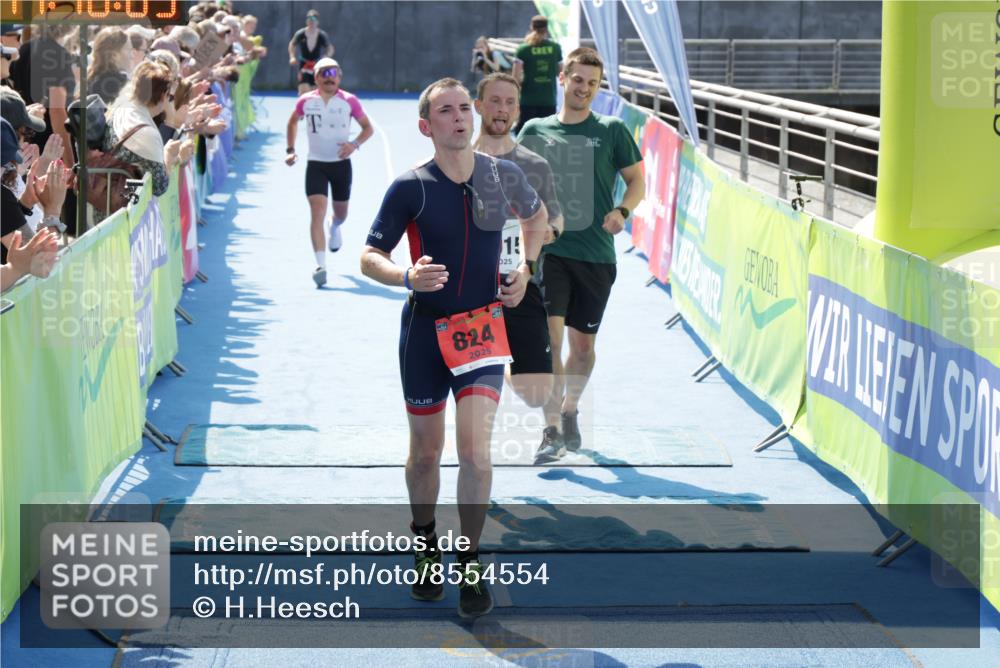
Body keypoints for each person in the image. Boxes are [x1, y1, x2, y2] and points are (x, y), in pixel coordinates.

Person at [360, 78, 547, 618]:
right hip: (424, 333)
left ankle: (468, 560)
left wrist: (523, 269)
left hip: (484, 331)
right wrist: (404, 276)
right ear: (427, 126)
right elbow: (369, 255)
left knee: (474, 453)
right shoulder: (410, 187)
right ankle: (424, 540)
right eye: (447, 110)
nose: (461, 117)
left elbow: (535, 219)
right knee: (424, 455)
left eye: (466, 107)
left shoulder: (503, 174)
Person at [518, 47, 645, 462]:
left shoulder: (611, 130)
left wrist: (623, 210)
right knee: (551, 343)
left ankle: (571, 408)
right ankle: (551, 428)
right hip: (550, 252)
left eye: (593, 83)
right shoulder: (535, 129)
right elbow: (512, 178)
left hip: (596, 255)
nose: (585, 89)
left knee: (583, 348)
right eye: (578, 80)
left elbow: (637, 182)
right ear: (562, 78)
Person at [472, 72, 566, 460]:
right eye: (495, 101)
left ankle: (548, 421)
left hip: (521, 283)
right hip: (469, 290)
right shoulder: (457, 159)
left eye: (510, 103)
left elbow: (556, 218)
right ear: (478, 106)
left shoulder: (533, 164)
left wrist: (547, 234)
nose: (503, 110)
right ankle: (480, 456)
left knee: (536, 390)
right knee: (475, 382)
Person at [285, 58, 372, 288]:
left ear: (339, 77)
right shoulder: (306, 101)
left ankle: (335, 226)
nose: (329, 76)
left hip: (341, 165)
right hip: (316, 165)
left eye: (333, 72)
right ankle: (321, 265)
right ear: (316, 78)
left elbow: (368, 128)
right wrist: (291, 150)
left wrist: (353, 145)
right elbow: (292, 122)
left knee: (340, 214)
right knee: (317, 212)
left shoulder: (349, 101)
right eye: (323, 73)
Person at [512, 15, 562, 135]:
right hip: (548, 99)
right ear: (546, 29)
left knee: (524, 135)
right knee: (546, 136)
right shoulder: (555, 48)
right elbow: (560, 73)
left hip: (528, 100)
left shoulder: (523, 49)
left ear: (531, 27)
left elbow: (515, 78)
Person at [288, 9, 333, 95]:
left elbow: (330, 48)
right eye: (309, 19)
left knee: (315, 90)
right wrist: (292, 56)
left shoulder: (321, 35)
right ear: (306, 21)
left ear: (317, 22)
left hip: (316, 65)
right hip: (304, 65)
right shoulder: (300, 33)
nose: (311, 22)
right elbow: (292, 44)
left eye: (313, 20)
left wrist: (326, 57)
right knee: (303, 90)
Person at [87, 27, 130, 105]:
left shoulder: (89, 78)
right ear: (114, 55)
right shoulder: (119, 84)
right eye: (129, 50)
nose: (132, 54)